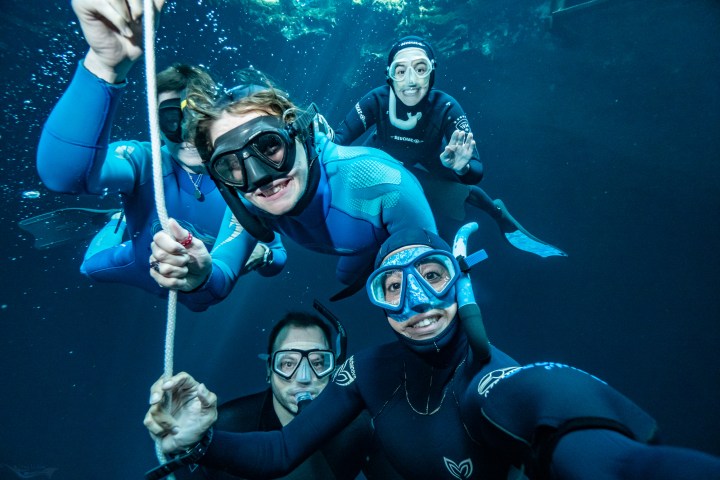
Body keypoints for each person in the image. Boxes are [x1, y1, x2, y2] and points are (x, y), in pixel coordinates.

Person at [145, 226, 720, 479]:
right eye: (393, 288)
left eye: (431, 277)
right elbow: (281, 451)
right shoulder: (368, 371)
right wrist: (199, 439)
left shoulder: (493, 384)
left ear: (458, 282)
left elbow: (611, 461)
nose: (417, 302)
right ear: (380, 303)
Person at [36, 0, 286, 312]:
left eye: (198, 117)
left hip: (201, 277)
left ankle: (122, 217)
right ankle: (118, 221)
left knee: (198, 304)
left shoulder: (242, 172)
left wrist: (260, 255)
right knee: (88, 268)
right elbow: (66, 175)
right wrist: (103, 65)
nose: (188, 133)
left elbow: (271, 253)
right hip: (141, 265)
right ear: (154, 125)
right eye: (171, 119)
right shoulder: (144, 161)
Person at [334, 36, 566, 258]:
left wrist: (461, 167)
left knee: (462, 189)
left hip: (430, 155)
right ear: (389, 76)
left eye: (420, 69)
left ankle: (498, 215)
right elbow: (338, 140)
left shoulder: (445, 106)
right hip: (381, 155)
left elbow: (476, 172)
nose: (411, 80)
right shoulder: (377, 100)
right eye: (401, 71)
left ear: (432, 72)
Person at [172, 307, 400, 479]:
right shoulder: (225, 425)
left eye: (318, 362)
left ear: (335, 370)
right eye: (288, 363)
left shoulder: (360, 428)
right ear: (269, 370)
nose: (303, 377)